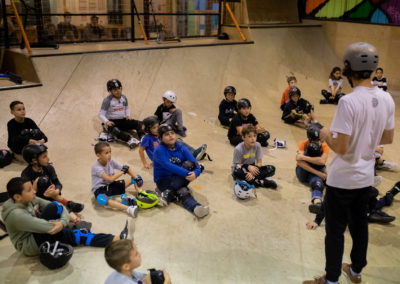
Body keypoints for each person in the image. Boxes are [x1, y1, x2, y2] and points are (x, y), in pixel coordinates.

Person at [304, 42, 395, 284]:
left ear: (348, 69)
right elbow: (387, 138)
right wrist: (366, 137)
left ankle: (331, 279)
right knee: (359, 227)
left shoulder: (348, 102)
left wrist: (323, 131)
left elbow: (341, 147)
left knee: (335, 231)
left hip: (342, 179)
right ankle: (355, 272)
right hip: (365, 177)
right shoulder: (386, 98)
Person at [2, 177, 130, 257]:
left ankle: (108, 238)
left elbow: (57, 205)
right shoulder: (16, 215)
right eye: (29, 190)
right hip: (29, 244)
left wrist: (61, 222)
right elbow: (48, 228)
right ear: (17, 197)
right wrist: (61, 223)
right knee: (72, 235)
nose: (34, 191)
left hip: (37, 229)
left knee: (55, 208)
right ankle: (114, 239)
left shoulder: (27, 199)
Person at [153, 124, 209, 218]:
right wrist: (189, 174)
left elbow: (195, 163)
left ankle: (195, 207)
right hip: (163, 181)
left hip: (178, 177)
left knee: (189, 166)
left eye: (172, 133)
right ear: (161, 138)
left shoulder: (180, 146)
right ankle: (170, 192)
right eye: (167, 134)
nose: (171, 135)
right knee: (183, 189)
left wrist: (196, 173)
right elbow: (169, 166)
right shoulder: (159, 150)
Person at [21, 144, 84, 222]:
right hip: (37, 201)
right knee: (42, 182)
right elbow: (28, 196)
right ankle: (70, 210)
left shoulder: (48, 168)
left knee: (46, 184)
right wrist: (35, 185)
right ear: (34, 160)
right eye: (44, 157)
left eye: (47, 155)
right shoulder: (26, 175)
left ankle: (67, 205)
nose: (48, 158)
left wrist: (56, 191)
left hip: (51, 196)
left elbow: (57, 183)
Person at [91, 142, 141, 217]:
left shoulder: (111, 160)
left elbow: (126, 168)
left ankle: (141, 196)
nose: (109, 155)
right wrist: (122, 172)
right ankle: (128, 209)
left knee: (137, 177)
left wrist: (136, 178)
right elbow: (110, 179)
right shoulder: (96, 167)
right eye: (106, 153)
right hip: (100, 189)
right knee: (102, 199)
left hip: (110, 185)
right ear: (98, 155)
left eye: (110, 152)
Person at [139, 116, 207, 169]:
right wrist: (145, 163)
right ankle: (191, 164)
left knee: (178, 142)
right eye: (154, 128)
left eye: (158, 126)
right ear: (148, 129)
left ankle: (195, 153)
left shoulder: (158, 134)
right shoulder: (147, 138)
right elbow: (141, 150)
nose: (157, 128)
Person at [100, 79, 144, 148]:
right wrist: (106, 121)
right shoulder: (107, 100)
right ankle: (129, 139)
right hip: (112, 122)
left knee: (139, 123)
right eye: (115, 90)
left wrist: (127, 115)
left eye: (119, 88)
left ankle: (142, 137)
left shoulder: (124, 97)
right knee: (115, 130)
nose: (118, 91)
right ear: (110, 91)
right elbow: (101, 114)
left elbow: (126, 108)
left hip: (122, 120)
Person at [104, 239, 171, 284]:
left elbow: (140, 277)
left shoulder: (124, 271)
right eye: (136, 254)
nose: (140, 254)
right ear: (126, 266)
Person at [296, 124, 328, 213]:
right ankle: (324, 178)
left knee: (318, 183)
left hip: (315, 171)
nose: (316, 142)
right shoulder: (303, 143)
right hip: (302, 171)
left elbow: (322, 162)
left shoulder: (324, 146)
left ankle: (318, 204)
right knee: (312, 149)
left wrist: (304, 158)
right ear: (309, 139)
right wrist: (319, 173)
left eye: (317, 140)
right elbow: (299, 161)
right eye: (313, 140)